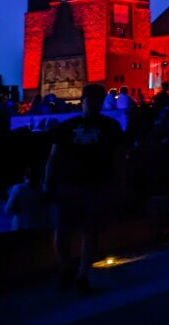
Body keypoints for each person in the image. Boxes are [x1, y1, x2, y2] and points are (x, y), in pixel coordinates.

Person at [43, 83, 124, 293]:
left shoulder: (108, 127)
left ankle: (78, 273)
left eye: (98, 101)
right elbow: (54, 157)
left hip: (93, 186)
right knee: (68, 231)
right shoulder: (72, 127)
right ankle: (73, 270)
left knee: (86, 231)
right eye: (92, 100)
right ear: (84, 102)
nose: (95, 105)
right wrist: (49, 181)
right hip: (71, 185)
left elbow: (117, 158)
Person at [4, 165, 49, 231]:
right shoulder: (42, 190)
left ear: (25, 176)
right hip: (38, 229)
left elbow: (7, 210)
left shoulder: (18, 188)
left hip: (20, 230)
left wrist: (10, 194)